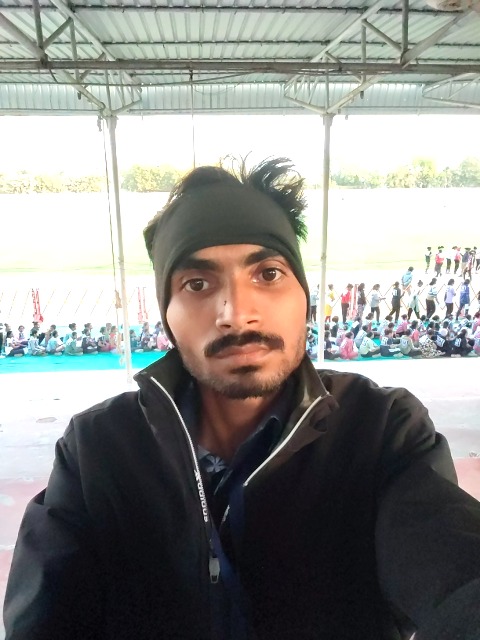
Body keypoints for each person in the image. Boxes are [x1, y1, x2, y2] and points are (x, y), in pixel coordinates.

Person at [4, 158, 480, 640]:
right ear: (167, 316)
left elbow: (453, 565)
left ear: (304, 295)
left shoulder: (381, 429)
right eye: (197, 284)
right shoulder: (97, 448)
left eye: (268, 274)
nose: (236, 314)